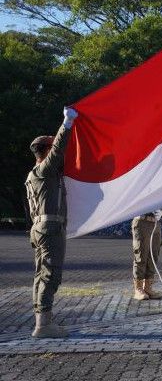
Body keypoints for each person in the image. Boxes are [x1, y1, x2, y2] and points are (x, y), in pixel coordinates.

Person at [25, 107, 77, 338]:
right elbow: (58, 149)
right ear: (45, 151)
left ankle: (43, 319)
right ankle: (43, 325)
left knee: (41, 274)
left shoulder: (33, 174)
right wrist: (67, 123)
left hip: (40, 228)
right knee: (50, 274)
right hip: (50, 228)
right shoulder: (45, 170)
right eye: (51, 145)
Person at [131, 210, 162, 300]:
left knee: (153, 256)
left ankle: (148, 288)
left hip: (156, 223)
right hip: (142, 222)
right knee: (141, 256)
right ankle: (138, 289)